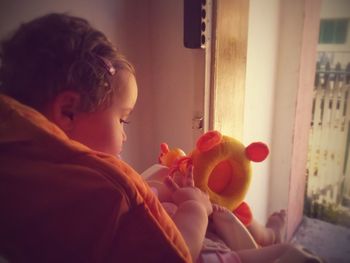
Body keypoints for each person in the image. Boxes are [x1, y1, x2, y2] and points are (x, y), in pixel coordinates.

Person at [0, 13, 211, 262]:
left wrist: (153, 191)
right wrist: (195, 209)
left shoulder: (18, 166)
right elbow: (176, 256)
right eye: (122, 119)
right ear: (68, 112)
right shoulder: (106, 190)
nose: (124, 135)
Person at [143, 164, 324, 263]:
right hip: (219, 255)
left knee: (221, 210)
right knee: (289, 253)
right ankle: (269, 235)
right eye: (122, 120)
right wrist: (194, 206)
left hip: (219, 249)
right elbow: (180, 253)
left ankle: (269, 235)